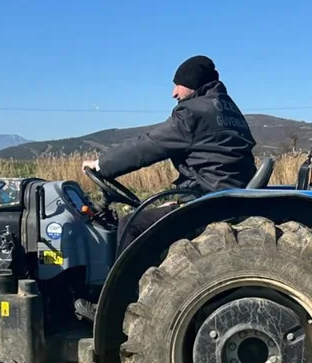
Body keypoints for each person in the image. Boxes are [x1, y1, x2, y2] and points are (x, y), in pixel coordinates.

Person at [83, 55, 257, 252]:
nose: (174, 93)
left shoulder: (192, 113)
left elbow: (149, 144)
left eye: (178, 85)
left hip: (209, 202)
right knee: (160, 214)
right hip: (223, 197)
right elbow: (215, 163)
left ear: (193, 83)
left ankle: (127, 283)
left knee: (130, 225)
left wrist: (101, 165)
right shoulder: (228, 109)